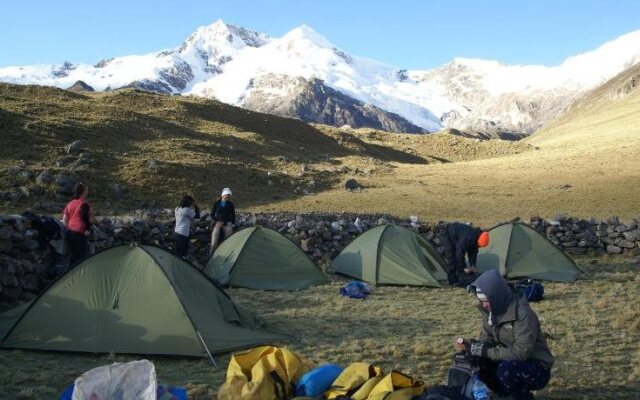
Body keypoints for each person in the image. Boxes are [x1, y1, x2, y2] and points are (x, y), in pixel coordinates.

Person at [455, 270, 554, 400]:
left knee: (507, 370)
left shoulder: (523, 314)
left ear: (496, 295)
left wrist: (486, 351)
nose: (484, 305)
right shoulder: (491, 311)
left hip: (537, 367)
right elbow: (487, 339)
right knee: (477, 360)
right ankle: (504, 394)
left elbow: (521, 353)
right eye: (481, 301)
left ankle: (523, 397)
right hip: (509, 360)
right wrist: (472, 346)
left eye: (486, 300)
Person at [441, 222, 490, 287]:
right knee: (452, 259)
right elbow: (460, 253)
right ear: (478, 240)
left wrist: (473, 265)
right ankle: (452, 281)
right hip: (448, 234)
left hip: (457, 238)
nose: (479, 246)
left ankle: (459, 278)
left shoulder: (476, 238)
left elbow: (473, 253)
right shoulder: (469, 238)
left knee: (458, 259)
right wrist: (463, 268)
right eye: (479, 245)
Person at [62, 183, 92, 264]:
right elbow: (85, 217)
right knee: (82, 258)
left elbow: (64, 219)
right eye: (86, 190)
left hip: (69, 233)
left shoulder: (70, 204)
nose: (87, 191)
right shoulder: (84, 204)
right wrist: (88, 229)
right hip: (80, 233)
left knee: (73, 258)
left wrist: (67, 229)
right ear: (83, 192)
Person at [209, 187, 236, 255]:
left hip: (228, 223)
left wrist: (232, 223)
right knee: (214, 238)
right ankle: (211, 254)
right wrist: (216, 221)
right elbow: (212, 214)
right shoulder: (217, 203)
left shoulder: (230, 204)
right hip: (218, 222)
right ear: (223, 195)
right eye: (227, 196)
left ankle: (227, 253)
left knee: (228, 239)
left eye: (229, 196)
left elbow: (233, 214)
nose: (228, 197)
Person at [174, 195, 200, 259]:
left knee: (178, 251)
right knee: (183, 252)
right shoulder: (187, 210)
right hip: (184, 232)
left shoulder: (177, 208)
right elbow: (197, 216)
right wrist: (196, 206)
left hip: (177, 231)